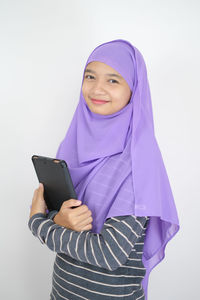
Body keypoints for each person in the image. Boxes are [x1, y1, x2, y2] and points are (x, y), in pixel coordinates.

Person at [28, 39, 180, 300]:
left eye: (113, 80)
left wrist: (39, 224)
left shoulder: (138, 162)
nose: (97, 88)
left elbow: (109, 254)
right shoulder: (72, 145)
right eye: (90, 76)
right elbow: (61, 214)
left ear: (134, 90)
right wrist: (56, 219)